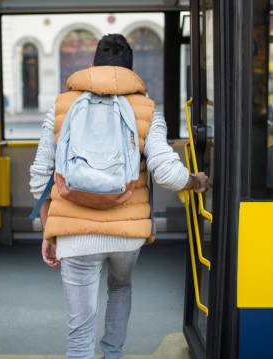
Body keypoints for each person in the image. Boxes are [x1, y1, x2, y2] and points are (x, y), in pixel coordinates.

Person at [29, 34, 209, 359]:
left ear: (92, 65)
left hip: (74, 234)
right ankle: (113, 354)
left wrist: (49, 230)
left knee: (79, 335)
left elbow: (40, 175)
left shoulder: (60, 106)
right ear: (131, 70)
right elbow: (166, 173)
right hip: (127, 236)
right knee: (120, 287)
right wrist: (196, 181)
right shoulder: (147, 109)